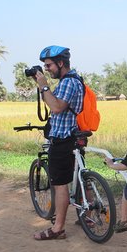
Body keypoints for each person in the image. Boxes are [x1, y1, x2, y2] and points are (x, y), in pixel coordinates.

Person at [31, 45, 84, 241]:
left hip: (63, 140)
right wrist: (42, 85)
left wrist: (44, 85)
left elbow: (56, 106)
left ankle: (58, 228)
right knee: (78, 176)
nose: (47, 69)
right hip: (70, 137)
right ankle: (87, 215)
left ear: (61, 63)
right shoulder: (69, 81)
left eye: (49, 65)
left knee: (61, 185)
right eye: (45, 66)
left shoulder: (69, 82)